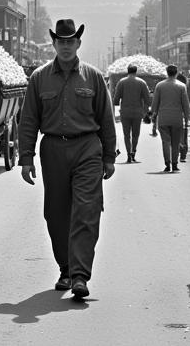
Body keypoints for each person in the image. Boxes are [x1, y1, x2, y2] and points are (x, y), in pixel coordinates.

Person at [18, 18, 117, 299]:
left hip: (87, 149)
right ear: (54, 44)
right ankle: (66, 268)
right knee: (56, 213)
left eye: (70, 41)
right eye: (61, 42)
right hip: (52, 150)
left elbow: (106, 119)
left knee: (86, 211)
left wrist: (109, 156)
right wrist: (26, 157)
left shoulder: (94, 77)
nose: (65, 46)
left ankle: (80, 276)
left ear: (78, 44)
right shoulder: (39, 78)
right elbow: (28, 120)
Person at [151, 64, 190, 173]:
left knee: (165, 142)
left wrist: (153, 114)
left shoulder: (160, 86)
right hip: (177, 119)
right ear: (176, 73)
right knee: (175, 142)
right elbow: (185, 104)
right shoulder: (181, 86)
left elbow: (155, 103)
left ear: (166, 72)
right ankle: (175, 164)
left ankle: (167, 164)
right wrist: (187, 117)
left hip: (163, 118)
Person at [113, 64, 151, 163]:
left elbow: (116, 99)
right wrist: (147, 111)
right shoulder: (142, 83)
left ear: (128, 71)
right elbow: (147, 99)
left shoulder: (122, 82)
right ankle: (133, 152)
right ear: (136, 71)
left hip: (125, 112)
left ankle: (128, 154)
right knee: (135, 134)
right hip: (138, 112)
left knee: (126, 135)